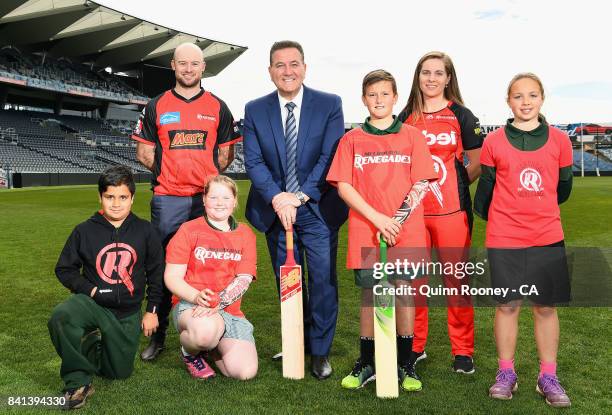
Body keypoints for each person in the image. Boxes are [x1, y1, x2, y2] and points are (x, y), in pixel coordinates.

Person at [243, 40, 347, 380]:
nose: (287, 71)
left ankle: (319, 352)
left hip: (315, 209)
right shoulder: (256, 109)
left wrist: (299, 197)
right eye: (279, 65)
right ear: (270, 71)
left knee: (321, 282)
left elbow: (329, 156)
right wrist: (278, 198)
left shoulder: (329, 104)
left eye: (293, 64)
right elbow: (254, 162)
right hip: (275, 210)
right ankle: (296, 340)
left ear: (304, 66)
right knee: (286, 281)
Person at [327, 70, 437, 392]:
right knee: (369, 295)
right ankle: (367, 362)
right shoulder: (351, 140)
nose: (378, 100)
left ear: (395, 97)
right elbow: (344, 187)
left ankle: (405, 363)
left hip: (405, 230)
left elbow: (421, 183)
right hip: (366, 227)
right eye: (372, 95)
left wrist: (396, 221)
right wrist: (378, 219)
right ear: (364, 99)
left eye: (384, 94)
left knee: (403, 291)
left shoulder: (413, 137)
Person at [132, 42, 241, 361]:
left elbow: (226, 154)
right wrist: (170, 173)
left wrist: (205, 180)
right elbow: (143, 152)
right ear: (173, 65)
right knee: (165, 268)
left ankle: (210, 332)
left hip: (207, 202)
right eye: (183, 64)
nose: (189, 69)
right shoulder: (155, 105)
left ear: (203, 66)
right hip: (168, 200)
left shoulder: (219, 107)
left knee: (210, 266)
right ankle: (160, 334)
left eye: (195, 63)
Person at [474, 73, 573, 407]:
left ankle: (548, 376)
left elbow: (563, 189)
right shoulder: (494, 141)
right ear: (508, 101)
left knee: (545, 306)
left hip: (547, 236)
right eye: (518, 96)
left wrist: (536, 211)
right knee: (508, 304)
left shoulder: (560, 140)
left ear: (542, 99)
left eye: (532, 95)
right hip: (505, 237)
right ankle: (506, 373)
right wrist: (506, 218)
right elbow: (484, 191)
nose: (526, 102)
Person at [48, 166, 164, 410]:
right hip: (93, 303)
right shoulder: (84, 230)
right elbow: (64, 269)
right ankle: (78, 381)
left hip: (128, 312)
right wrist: (90, 290)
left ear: (132, 198)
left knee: (118, 373)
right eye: (109, 197)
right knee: (62, 316)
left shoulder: (146, 231)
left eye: (123, 197)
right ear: (100, 197)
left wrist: (152, 310)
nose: (116, 204)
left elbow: (156, 274)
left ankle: (91, 342)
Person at [397, 51, 483, 373]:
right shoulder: (404, 116)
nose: (431, 79)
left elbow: (476, 162)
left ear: (448, 78)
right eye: (425, 72)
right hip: (414, 215)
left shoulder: (462, 115)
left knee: (456, 284)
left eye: (438, 73)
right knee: (414, 283)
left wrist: (457, 183)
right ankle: (416, 345)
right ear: (417, 76)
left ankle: (463, 351)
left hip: (452, 213)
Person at [164, 175, 258, 380]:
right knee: (204, 333)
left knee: (244, 373)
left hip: (229, 310)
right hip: (191, 306)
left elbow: (244, 278)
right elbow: (172, 277)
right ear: (204, 200)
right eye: (213, 197)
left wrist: (220, 302)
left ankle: (211, 347)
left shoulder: (245, 234)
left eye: (225, 198)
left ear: (234, 202)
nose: (219, 203)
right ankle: (190, 352)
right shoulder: (189, 229)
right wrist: (198, 297)